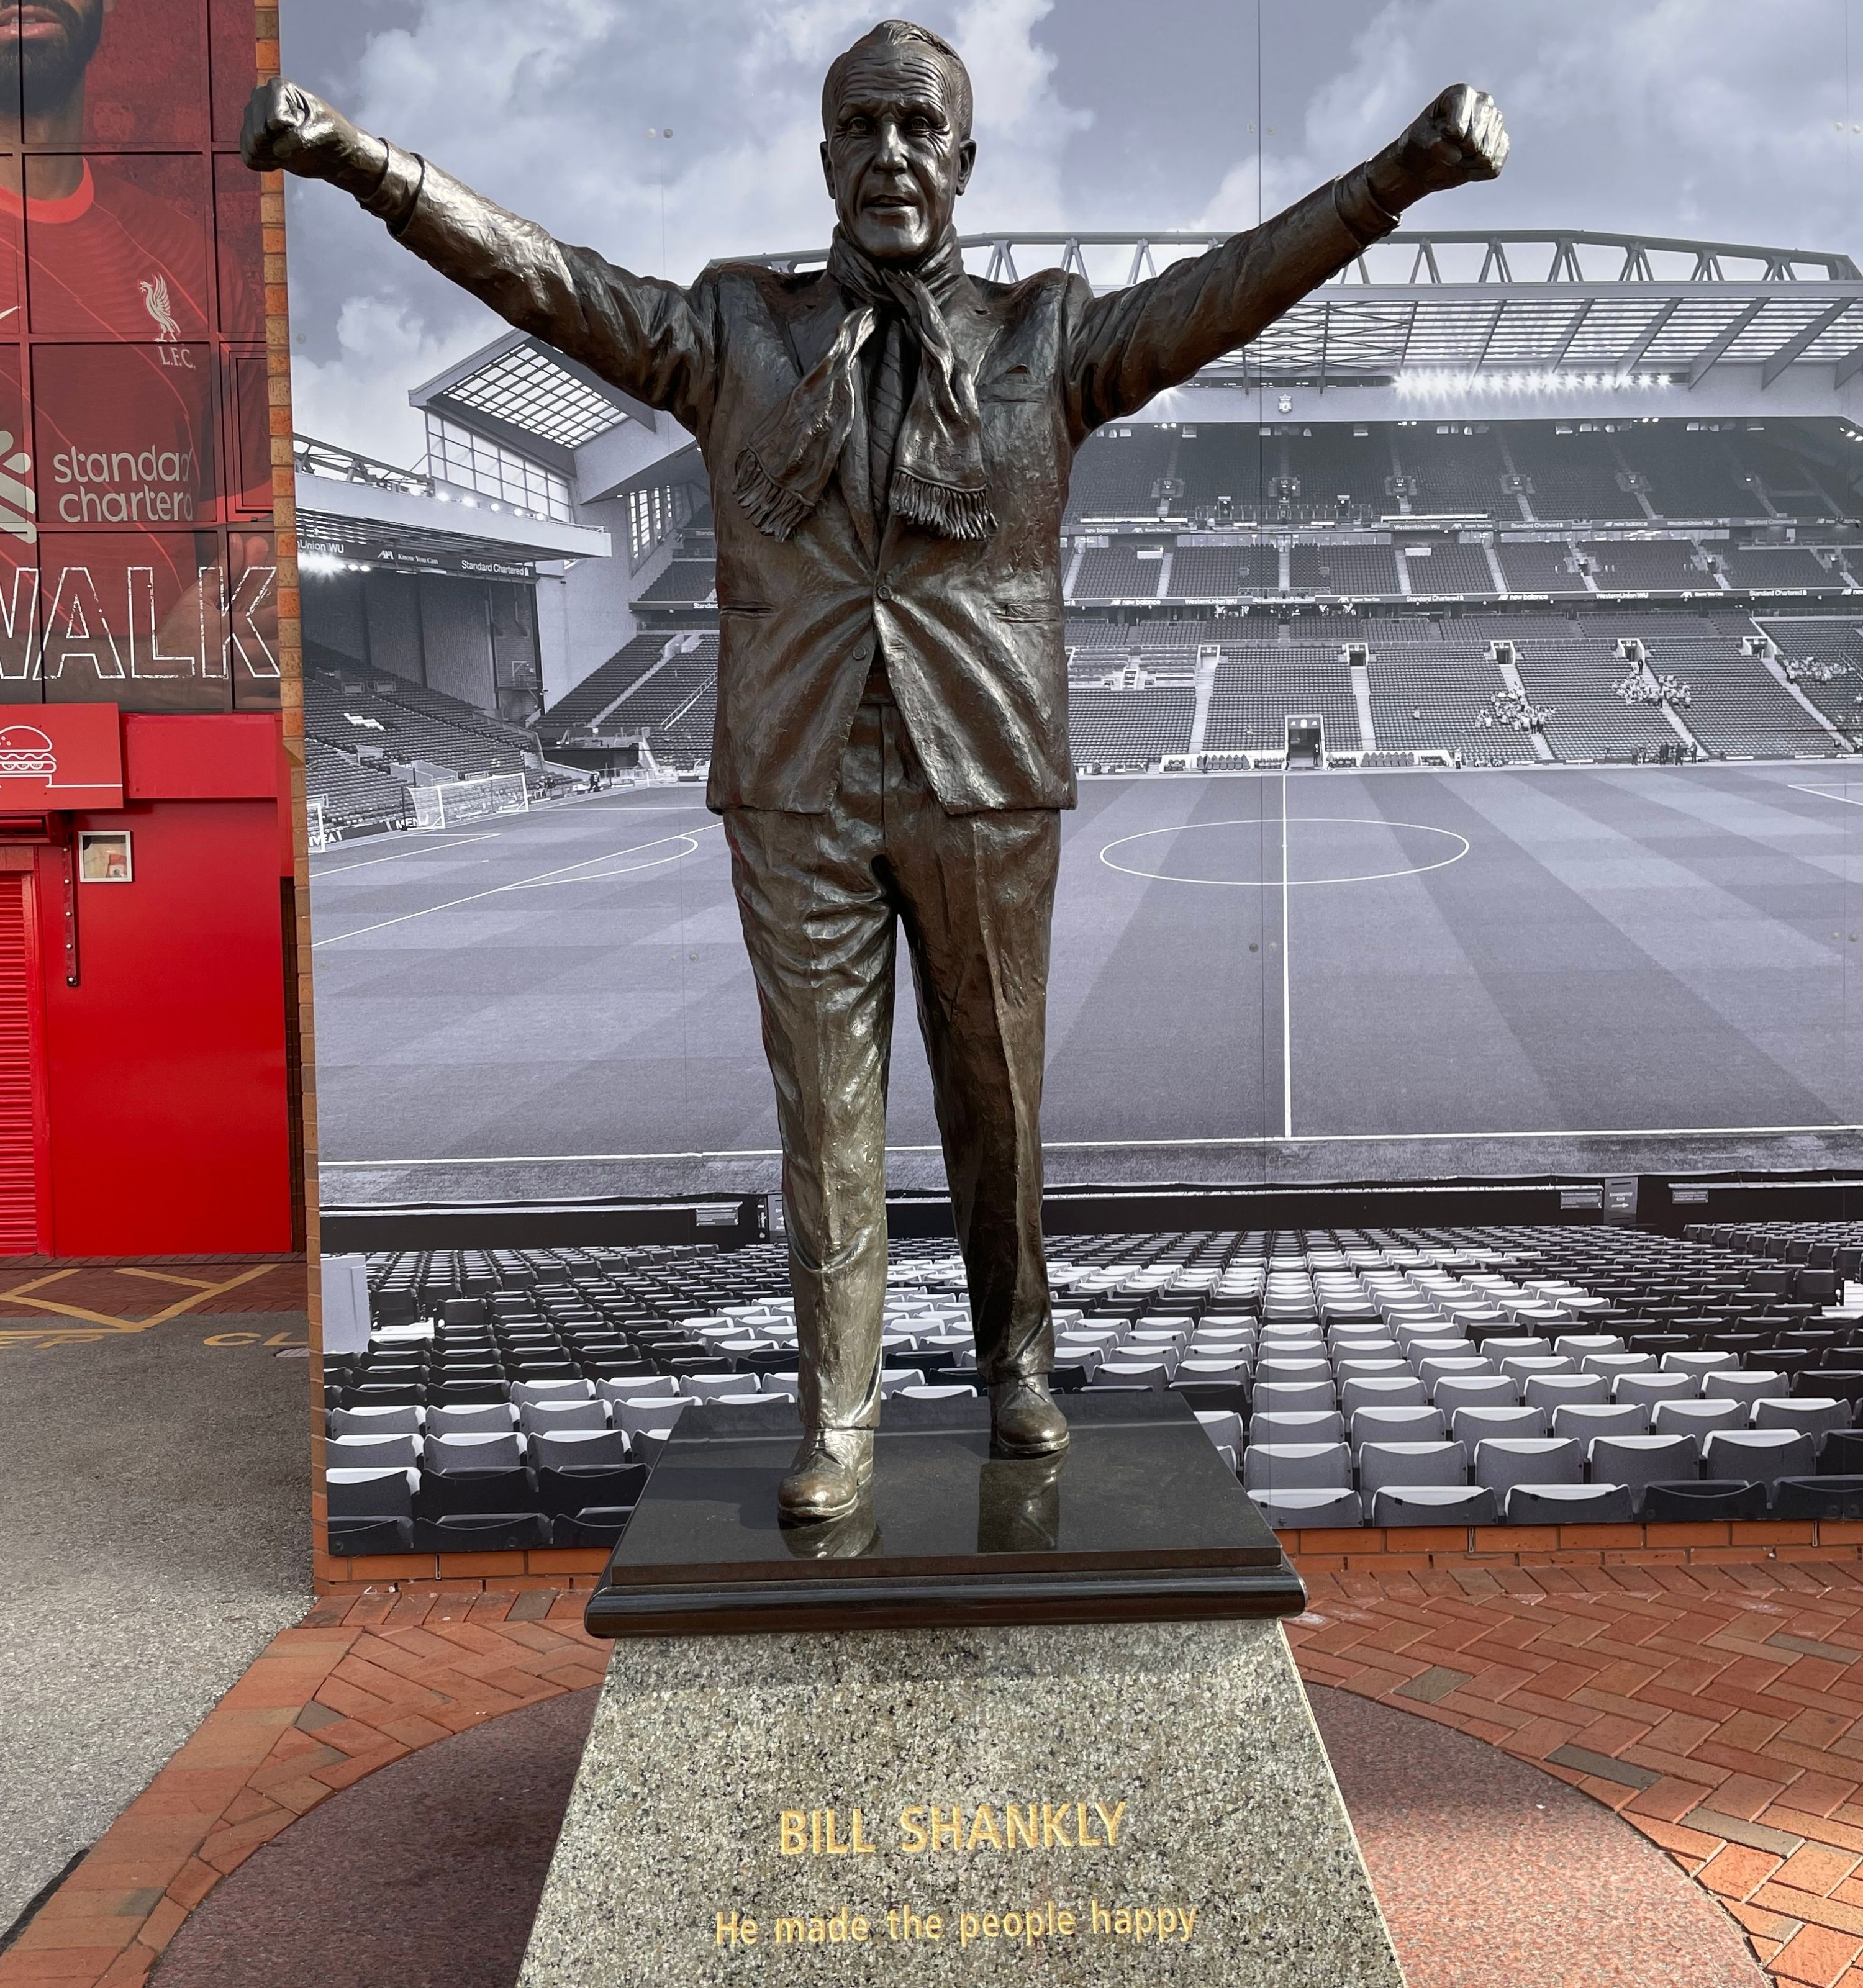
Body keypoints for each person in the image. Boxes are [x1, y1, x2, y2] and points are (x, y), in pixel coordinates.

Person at [245, 23, 1507, 1520]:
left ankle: (1015, 1365)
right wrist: (367, 166)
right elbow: (558, 283)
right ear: (827, 154)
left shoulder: (1048, 333)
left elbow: (1228, 292)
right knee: (825, 1125)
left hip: (983, 774)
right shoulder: (733, 327)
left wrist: (1400, 178)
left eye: (923, 128)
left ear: (963, 161)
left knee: (1001, 1102)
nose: (894, 154)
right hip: (795, 780)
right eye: (865, 127)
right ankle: (835, 1415)